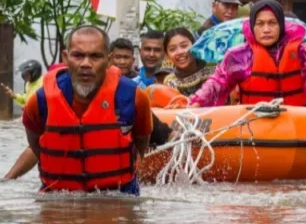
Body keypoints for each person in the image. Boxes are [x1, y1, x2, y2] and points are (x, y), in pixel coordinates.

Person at [21, 25, 154, 194]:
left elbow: (141, 141)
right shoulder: (40, 101)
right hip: (58, 197)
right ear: (65, 57)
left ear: (109, 59)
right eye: (78, 55)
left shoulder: (134, 97)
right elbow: (36, 145)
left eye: (95, 56)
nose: (86, 64)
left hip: (119, 194)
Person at [190, 0, 306, 108]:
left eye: (272, 23)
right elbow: (217, 83)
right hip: (255, 124)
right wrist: (196, 102)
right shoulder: (238, 56)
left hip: (297, 123)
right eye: (260, 24)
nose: (266, 29)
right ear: (253, 27)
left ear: (280, 25)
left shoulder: (302, 52)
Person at [159, 28, 216, 98]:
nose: (179, 52)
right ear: (167, 55)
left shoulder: (215, 69)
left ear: (194, 45)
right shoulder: (170, 81)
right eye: (172, 49)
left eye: (184, 46)